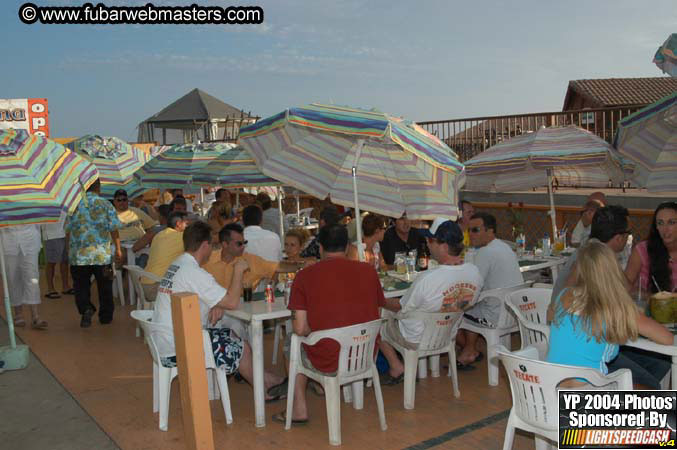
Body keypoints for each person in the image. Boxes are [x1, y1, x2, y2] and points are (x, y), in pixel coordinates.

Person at [151, 221, 286, 400]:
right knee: (242, 348)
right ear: (205, 245)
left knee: (233, 335)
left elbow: (203, 296)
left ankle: (266, 380)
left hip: (165, 341)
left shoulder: (177, 264)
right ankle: (263, 391)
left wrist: (215, 304)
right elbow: (231, 302)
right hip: (180, 348)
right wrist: (238, 271)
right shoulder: (194, 272)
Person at [273, 224, 386, 424]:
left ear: (320, 248)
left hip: (329, 358)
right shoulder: (368, 271)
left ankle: (299, 409)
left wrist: (313, 330)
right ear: (348, 246)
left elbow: (300, 328)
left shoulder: (305, 276)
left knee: (293, 343)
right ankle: (320, 386)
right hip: (364, 354)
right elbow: (376, 313)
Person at [552, 205, 671, 389]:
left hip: (553, 392)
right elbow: (667, 339)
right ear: (615, 273)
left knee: (653, 364)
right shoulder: (616, 308)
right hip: (589, 406)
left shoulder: (564, 295)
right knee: (654, 392)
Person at [378, 219, 483, 384]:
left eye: (431, 240)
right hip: (448, 333)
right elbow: (466, 303)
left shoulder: (428, 278)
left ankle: (396, 367)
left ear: (444, 246)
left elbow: (400, 307)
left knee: (379, 317)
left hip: (416, 337)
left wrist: (379, 299)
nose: (427, 242)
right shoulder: (475, 273)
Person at [456, 212, 523, 368]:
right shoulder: (504, 247)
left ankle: (468, 350)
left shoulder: (486, 252)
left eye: (476, 230)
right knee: (473, 304)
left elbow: (471, 287)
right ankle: (470, 349)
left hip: (496, 315)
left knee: (454, 310)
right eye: (469, 230)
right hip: (514, 311)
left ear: (490, 231)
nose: (471, 235)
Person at [65, 179, 123, 328]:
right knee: (105, 286)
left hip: (79, 255)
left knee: (81, 286)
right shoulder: (105, 204)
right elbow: (114, 229)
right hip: (101, 255)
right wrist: (118, 248)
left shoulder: (74, 205)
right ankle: (105, 317)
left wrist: (68, 251)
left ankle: (86, 308)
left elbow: (68, 230)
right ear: (99, 187)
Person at [0, 225, 48, 329]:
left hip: (30, 240)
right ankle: (18, 314)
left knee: (33, 277)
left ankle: (35, 316)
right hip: (8, 241)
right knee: (12, 278)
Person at [625, 201, 677, 293]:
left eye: (671, 222)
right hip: (647, 305)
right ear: (656, 226)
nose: (665, 229)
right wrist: (646, 297)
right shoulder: (642, 249)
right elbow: (624, 285)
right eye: (660, 223)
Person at [140, 211, 189, 302]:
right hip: (156, 287)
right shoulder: (181, 237)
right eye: (186, 223)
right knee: (192, 291)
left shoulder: (159, 235)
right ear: (178, 224)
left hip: (145, 284)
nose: (188, 227)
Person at [41, 211, 72, 299]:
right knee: (51, 262)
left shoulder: (64, 200)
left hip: (65, 233)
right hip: (51, 235)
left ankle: (65, 287)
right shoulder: (45, 202)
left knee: (65, 261)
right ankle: (50, 289)